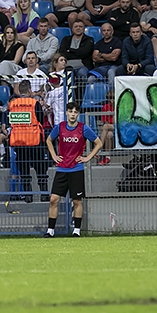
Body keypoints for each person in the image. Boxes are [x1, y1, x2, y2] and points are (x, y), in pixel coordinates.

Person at [44, 101, 104, 238]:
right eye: (70, 112)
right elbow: (48, 140)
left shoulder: (83, 128)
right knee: (53, 199)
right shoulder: (59, 127)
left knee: (77, 200)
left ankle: (76, 230)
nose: (73, 114)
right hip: (62, 169)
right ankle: (50, 230)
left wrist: (88, 157)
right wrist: (54, 155)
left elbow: (99, 143)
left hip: (76, 169)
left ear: (78, 114)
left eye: (75, 112)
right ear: (66, 113)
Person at [8, 83, 49, 202]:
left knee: (24, 170)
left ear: (19, 91)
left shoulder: (13, 104)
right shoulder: (34, 103)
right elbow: (40, 119)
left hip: (19, 141)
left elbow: (10, 120)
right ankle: (44, 194)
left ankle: (28, 195)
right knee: (41, 169)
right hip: (34, 140)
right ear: (30, 90)